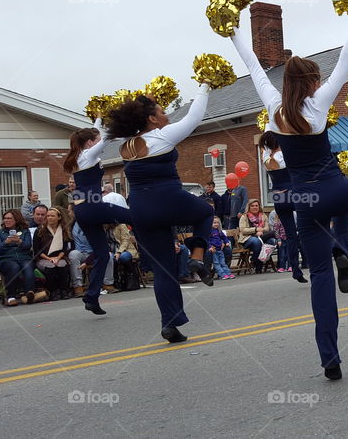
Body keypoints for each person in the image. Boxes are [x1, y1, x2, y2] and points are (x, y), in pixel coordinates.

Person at [235, 7, 348, 380]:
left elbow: (255, 68)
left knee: (320, 275)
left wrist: (233, 34)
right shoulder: (319, 104)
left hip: (305, 197)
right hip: (338, 190)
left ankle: (330, 358)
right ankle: (344, 246)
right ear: (310, 82)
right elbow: (347, 59)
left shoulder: (275, 111)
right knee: (346, 204)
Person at [106, 81, 214, 342]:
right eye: (162, 111)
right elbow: (195, 115)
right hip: (167, 197)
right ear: (152, 119)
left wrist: (146, 99)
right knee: (205, 212)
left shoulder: (127, 144)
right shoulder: (163, 135)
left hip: (140, 209)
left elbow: (142, 115)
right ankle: (197, 256)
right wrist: (205, 86)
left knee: (163, 269)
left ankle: (170, 325)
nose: (167, 115)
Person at [62, 119, 136, 314]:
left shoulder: (79, 156)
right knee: (134, 216)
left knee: (103, 254)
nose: (98, 143)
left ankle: (92, 297)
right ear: (89, 143)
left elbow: (98, 136)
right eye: (95, 140)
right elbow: (106, 139)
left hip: (82, 211)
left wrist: (99, 119)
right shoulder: (87, 154)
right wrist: (129, 127)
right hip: (92, 207)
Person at [259, 132, 310, 286]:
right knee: (308, 227)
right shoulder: (285, 155)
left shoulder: (266, 159)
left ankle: (295, 269)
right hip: (292, 194)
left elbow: (264, 149)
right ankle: (311, 262)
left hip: (278, 198)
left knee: (290, 236)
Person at [0, 210, 35, 306]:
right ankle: (11, 296)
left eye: (9, 218)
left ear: (16, 220)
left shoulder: (25, 231)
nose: (6, 220)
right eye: (5, 218)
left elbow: (28, 246)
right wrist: (6, 242)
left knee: (28, 266)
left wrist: (19, 242)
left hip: (23, 257)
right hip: (6, 259)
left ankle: (29, 293)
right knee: (14, 267)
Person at [33, 207, 74, 301]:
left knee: (62, 265)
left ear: (59, 217)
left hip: (60, 256)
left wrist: (58, 258)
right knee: (50, 267)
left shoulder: (64, 230)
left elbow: (66, 247)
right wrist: (49, 258)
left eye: (52, 216)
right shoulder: (40, 230)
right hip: (43, 257)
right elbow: (37, 250)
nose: (49, 218)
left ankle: (63, 290)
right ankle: (53, 291)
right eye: (48, 216)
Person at [238, 199, 276, 274]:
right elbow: (243, 230)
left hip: (261, 236)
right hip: (247, 238)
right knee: (256, 241)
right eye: (252, 206)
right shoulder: (244, 216)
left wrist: (261, 231)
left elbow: (267, 228)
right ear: (249, 207)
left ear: (259, 207)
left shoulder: (263, 215)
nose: (255, 207)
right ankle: (258, 265)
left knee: (271, 241)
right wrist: (255, 229)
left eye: (256, 206)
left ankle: (254, 260)